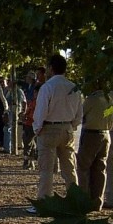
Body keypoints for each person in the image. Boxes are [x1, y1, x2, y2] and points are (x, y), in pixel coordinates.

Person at [31, 53, 83, 205]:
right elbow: (79, 114)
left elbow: (41, 111)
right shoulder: (74, 87)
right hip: (67, 128)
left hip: (49, 128)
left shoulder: (48, 87)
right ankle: (75, 201)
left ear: (51, 68)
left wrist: (37, 128)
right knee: (69, 168)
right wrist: (71, 126)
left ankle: (45, 202)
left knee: (46, 169)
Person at [76, 83, 111, 210]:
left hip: (91, 133)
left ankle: (83, 200)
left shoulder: (91, 99)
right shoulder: (109, 99)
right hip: (106, 133)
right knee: (100, 169)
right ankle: (98, 201)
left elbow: (80, 115)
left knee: (83, 168)